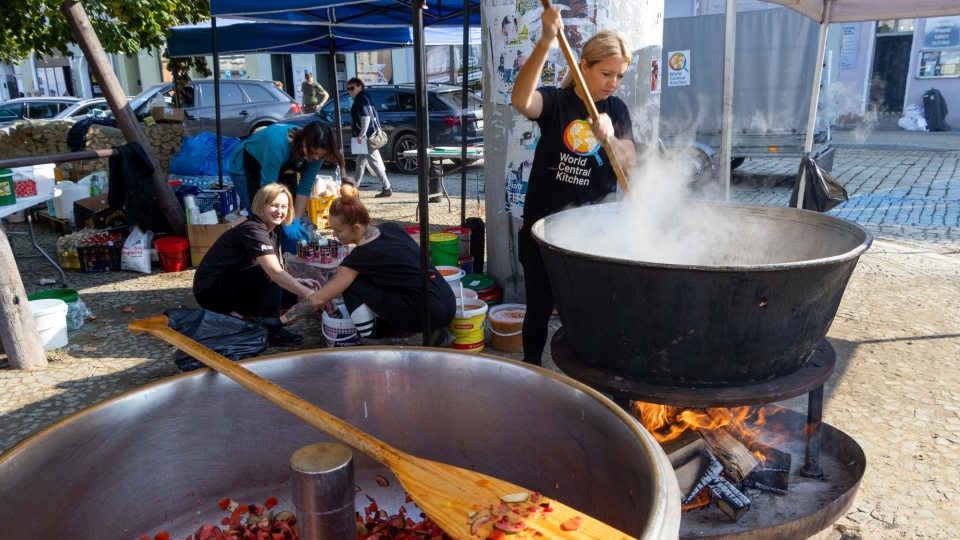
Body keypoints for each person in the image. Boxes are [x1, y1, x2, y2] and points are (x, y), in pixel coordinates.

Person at [510, 7, 637, 367]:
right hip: (543, 226)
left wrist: (609, 137)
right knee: (538, 307)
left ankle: (586, 379)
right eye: (606, 73)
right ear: (584, 66)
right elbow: (521, 100)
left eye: (619, 76)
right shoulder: (556, 102)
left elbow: (629, 163)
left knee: (584, 311)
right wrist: (546, 41)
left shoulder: (616, 109)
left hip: (592, 230)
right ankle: (532, 371)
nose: (612, 82)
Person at [274, 196, 456, 343]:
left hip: (424, 314)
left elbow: (319, 299)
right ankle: (436, 332)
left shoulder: (359, 257)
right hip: (447, 303)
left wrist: (281, 320)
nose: (334, 236)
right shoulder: (391, 228)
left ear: (356, 227)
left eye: (338, 231)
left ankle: (371, 342)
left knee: (352, 286)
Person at [193, 183, 322, 347]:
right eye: (273, 205)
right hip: (210, 292)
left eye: (284, 206)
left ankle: (248, 318)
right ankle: (271, 329)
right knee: (269, 274)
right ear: (261, 206)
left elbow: (276, 268)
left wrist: (296, 281)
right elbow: (273, 272)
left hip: (232, 284)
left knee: (289, 295)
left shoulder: (273, 230)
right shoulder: (252, 229)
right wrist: (312, 296)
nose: (279, 211)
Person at [228, 121, 347, 250]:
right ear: (303, 142)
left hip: (282, 169)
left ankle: (290, 264)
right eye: (313, 152)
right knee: (264, 220)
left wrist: (295, 220)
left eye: (321, 155)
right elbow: (268, 192)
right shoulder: (278, 145)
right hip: (248, 167)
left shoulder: (317, 151)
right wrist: (285, 221)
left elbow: (305, 186)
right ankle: (268, 264)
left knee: (290, 222)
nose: (316, 158)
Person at [348, 78, 392, 198]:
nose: (350, 91)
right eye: (348, 89)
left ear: (360, 87)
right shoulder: (365, 97)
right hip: (369, 136)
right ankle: (354, 188)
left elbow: (366, 117)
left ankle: (387, 188)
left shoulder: (361, 98)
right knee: (360, 162)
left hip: (367, 138)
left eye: (352, 88)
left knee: (374, 164)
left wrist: (361, 134)